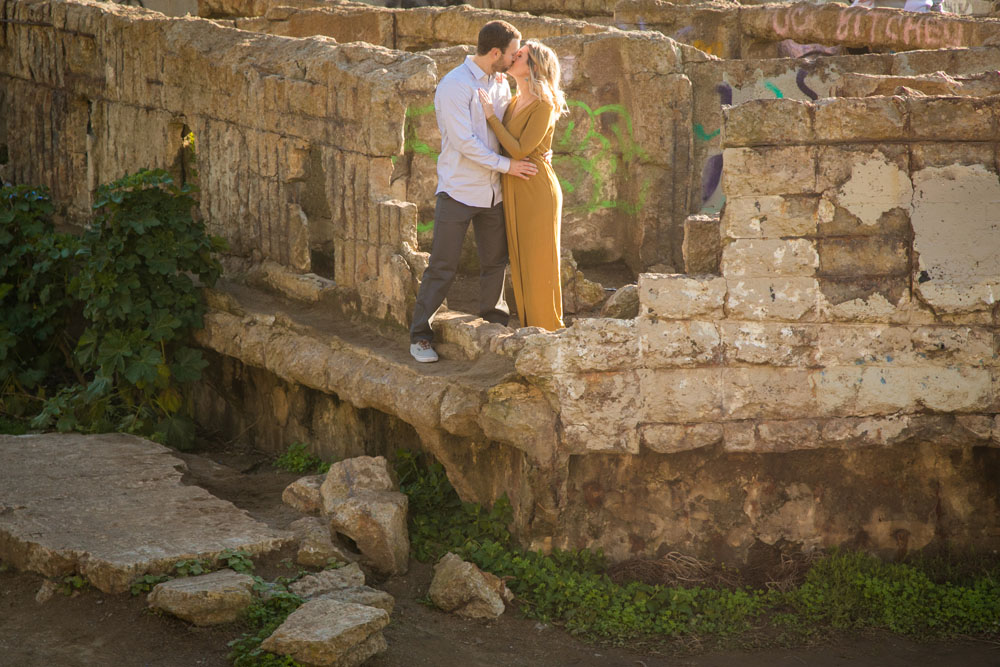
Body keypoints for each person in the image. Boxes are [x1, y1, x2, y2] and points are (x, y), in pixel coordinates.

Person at [408, 20, 539, 363]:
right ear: (496, 53)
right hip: (458, 191)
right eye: (512, 54)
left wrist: (538, 151)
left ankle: (493, 327)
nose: (515, 59)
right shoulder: (454, 85)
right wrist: (508, 166)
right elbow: (465, 143)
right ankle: (420, 336)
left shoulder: (500, 83)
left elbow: (507, 130)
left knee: (495, 263)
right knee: (442, 266)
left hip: (493, 192)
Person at [477, 41, 567, 332]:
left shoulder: (544, 103)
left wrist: (490, 115)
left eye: (520, 56)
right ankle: (532, 331)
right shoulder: (516, 100)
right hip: (516, 184)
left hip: (535, 187)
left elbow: (518, 150)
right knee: (521, 263)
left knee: (539, 263)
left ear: (533, 67)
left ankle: (549, 331)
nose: (513, 57)